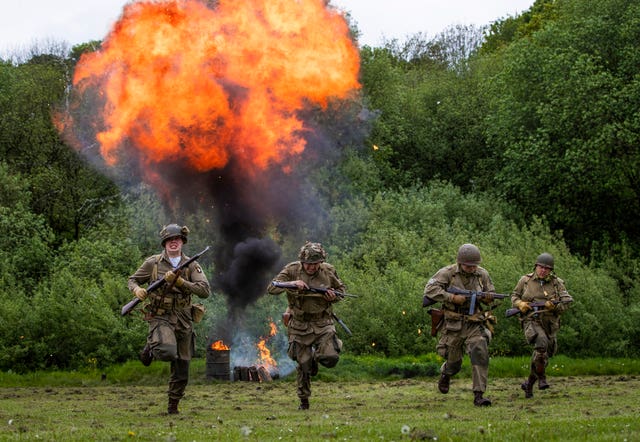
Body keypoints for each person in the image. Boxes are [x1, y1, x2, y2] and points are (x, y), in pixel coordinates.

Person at [128, 223, 211, 414]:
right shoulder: (153, 263)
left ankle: (173, 406)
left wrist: (182, 282)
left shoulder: (192, 265)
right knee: (166, 351)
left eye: (177, 240)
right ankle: (152, 345)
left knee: (182, 365)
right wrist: (137, 290)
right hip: (160, 316)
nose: (173, 243)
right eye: (169, 240)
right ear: (164, 243)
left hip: (183, 318)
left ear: (182, 242)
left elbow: (204, 291)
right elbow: (132, 279)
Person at [267, 242, 345, 410]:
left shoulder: (328, 271)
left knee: (330, 357)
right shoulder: (291, 270)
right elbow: (272, 287)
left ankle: (317, 358)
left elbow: (341, 291)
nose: (311, 267)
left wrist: (333, 297)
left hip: (323, 323)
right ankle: (304, 401)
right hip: (299, 324)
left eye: (315, 264)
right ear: (302, 261)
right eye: (308, 264)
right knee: (303, 364)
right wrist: (293, 283)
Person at [423, 243, 498, 406]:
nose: (471, 268)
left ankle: (479, 394)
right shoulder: (447, 273)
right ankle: (446, 373)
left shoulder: (482, 274)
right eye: (468, 265)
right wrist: (451, 298)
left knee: (479, 350)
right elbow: (429, 290)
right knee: (454, 362)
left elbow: (491, 293)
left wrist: (487, 298)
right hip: (453, 324)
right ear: (460, 262)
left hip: (474, 322)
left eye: (474, 265)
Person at [511, 252, 573, 398]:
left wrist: (554, 307)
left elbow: (567, 303)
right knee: (541, 343)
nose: (543, 270)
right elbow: (514, 296)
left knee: (544, 355)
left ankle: (529, 384)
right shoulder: (525, 280)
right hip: (531, 320)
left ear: (551, 270)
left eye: (547, 268)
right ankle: (542, 379)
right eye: (541, 267)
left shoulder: (557, 283)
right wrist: (520, 304)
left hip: (550, 323)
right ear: (536, 266)